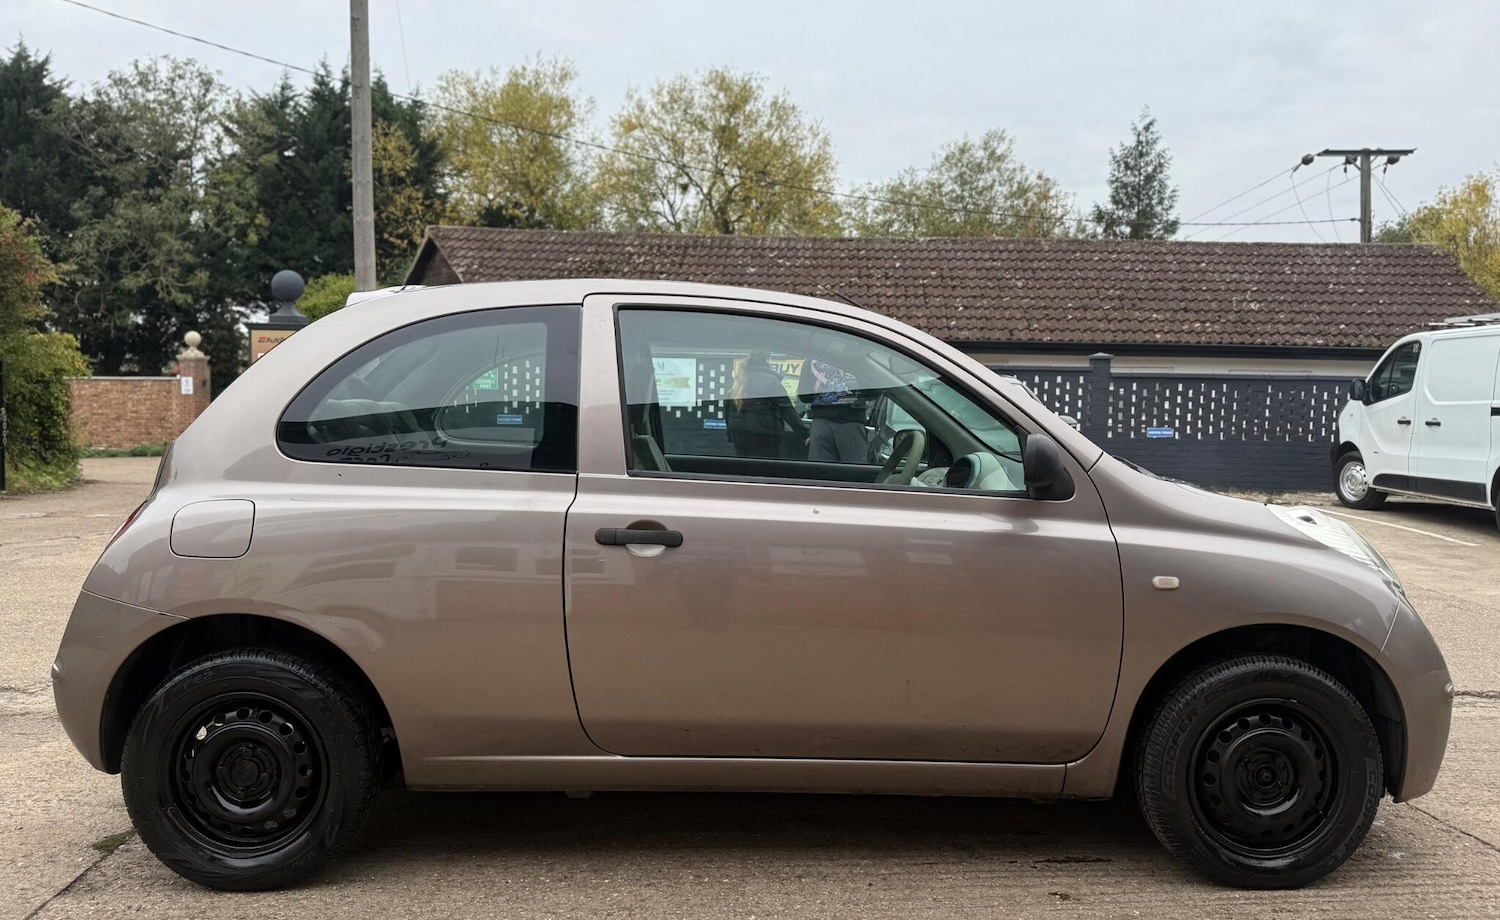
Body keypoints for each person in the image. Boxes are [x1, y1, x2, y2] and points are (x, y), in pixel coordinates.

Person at [726, 352, 807, 459]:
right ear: (768, 361)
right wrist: (805, 433)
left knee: (744, 467)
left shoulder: (738, 380)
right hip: (766, 435)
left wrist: (731, 435)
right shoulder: (772, 381)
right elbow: (787, 410)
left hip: (740, 435)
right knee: (766, 468)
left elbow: (728, 411)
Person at [797, 357, 869, 462]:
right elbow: (873, 391)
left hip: (821, 424)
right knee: (854, 473)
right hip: (851, 422)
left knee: (820, 472)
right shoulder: (860, 360)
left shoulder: (812, 361)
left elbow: (804, 396)